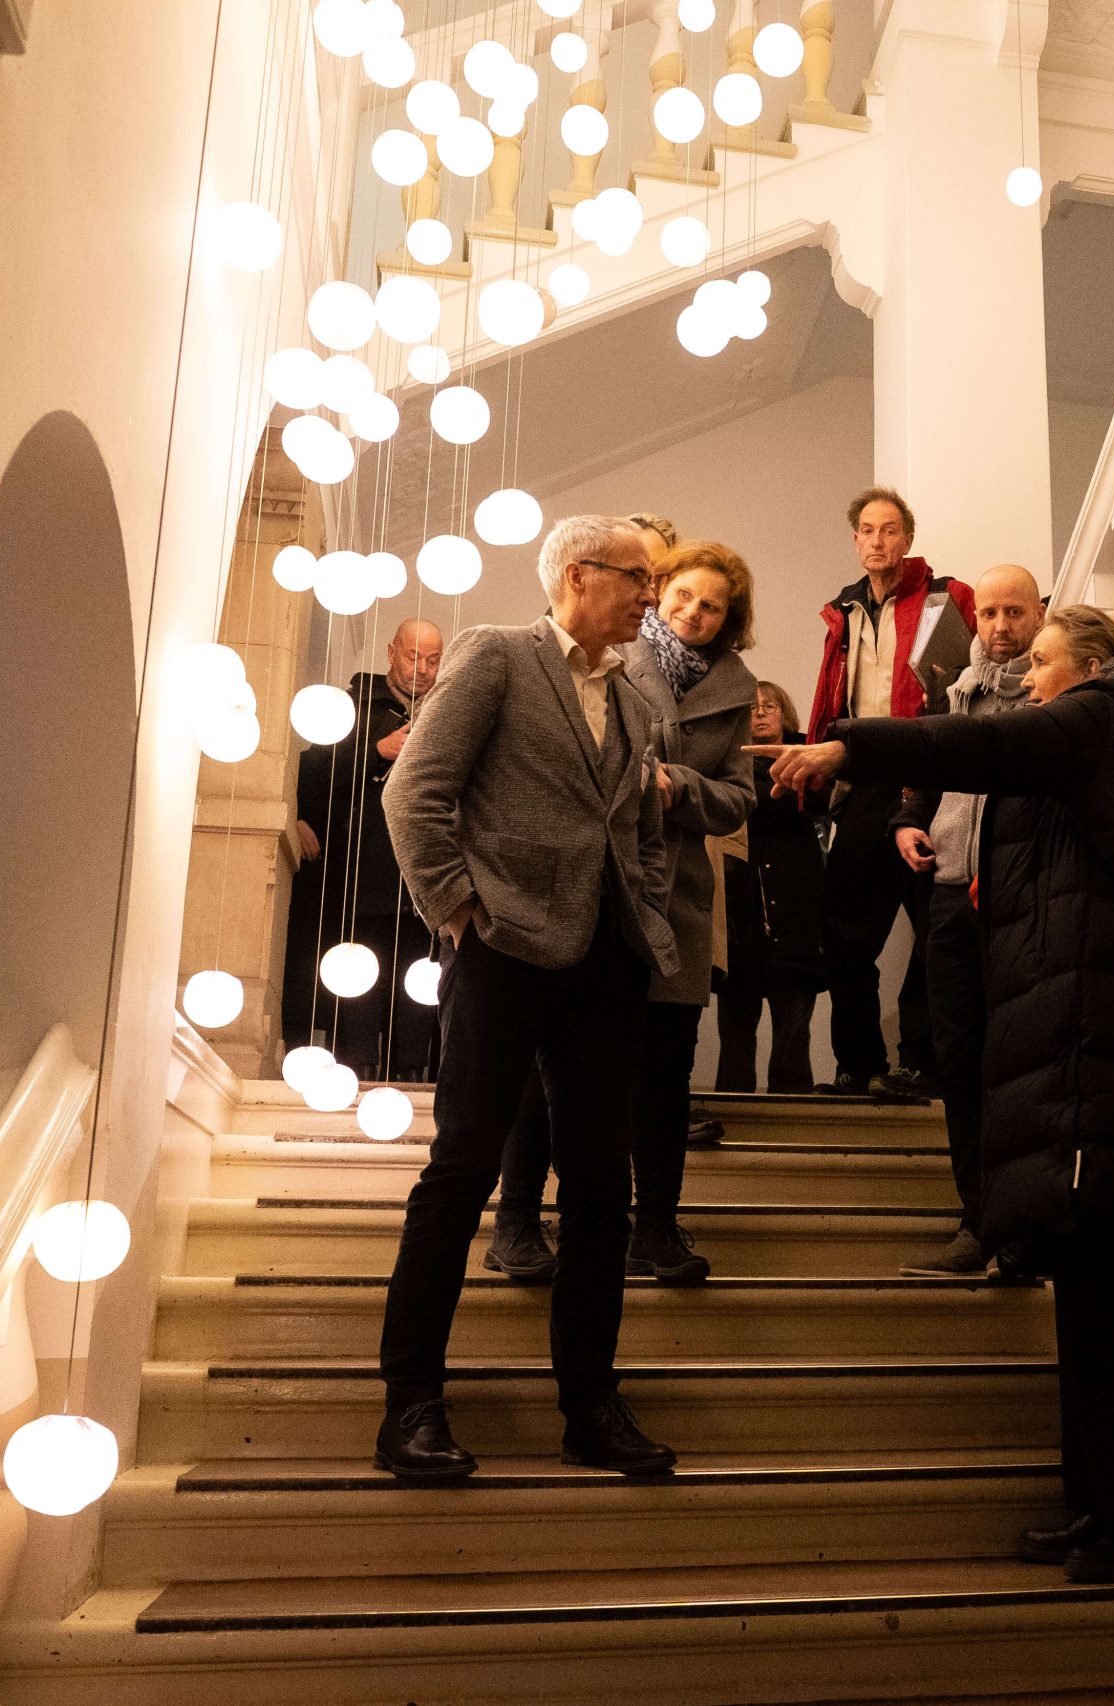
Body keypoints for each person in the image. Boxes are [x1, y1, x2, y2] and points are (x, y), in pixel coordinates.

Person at [753, 607, 1114, 1582]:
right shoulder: (1100, 740)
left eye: (1042, 661)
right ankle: (1102, 1505)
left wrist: (844, 745)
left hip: (1100, 1048)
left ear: (1094, 670)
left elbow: (975, 740)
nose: (1025, 677)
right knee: (1092, 1293)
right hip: (1080, 1043)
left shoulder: (1107, 718)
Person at [374, 516, 681, 1483]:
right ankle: (411, 1407)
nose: (650, 596)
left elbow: (637, 823)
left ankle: (590, 1406)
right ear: (578, 576)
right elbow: (411, 793)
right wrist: (458, 912)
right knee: (462, 1172)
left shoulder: (638, 691)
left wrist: (646, 908)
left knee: (602, 1188)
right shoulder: (497, 657)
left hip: (606, 962)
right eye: (639, 578)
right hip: (500, 950)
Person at [486, 541, 759, 1285]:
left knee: (666, 1072)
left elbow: (740, 795)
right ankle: (515, 1221)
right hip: (595, 891)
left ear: (730, 620)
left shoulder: (738, 686)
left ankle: (657, 1228)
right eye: (682, 597)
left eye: (712, 606)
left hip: (678, 895)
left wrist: (678, 788)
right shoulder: (606, 656)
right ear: (659, 594)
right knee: (553, 1068)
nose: (693, 614)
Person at [890, 565, 1043, 1275]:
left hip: (1019, 899)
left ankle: (1022, 1231)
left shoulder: (1055, 698)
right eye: (988, 613)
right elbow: (927, 772)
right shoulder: (953, 692)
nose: (1001, 626)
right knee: (959, 1060)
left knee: (1017, 1064)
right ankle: (977, 1222)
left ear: (1041, 614)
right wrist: (907, 821)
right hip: (951, 893)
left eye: (1015, 611)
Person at [807, 487, 976, 1099]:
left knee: (934, 928)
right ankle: (857, 1066)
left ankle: (919, 1065)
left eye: (890, 530)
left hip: (925, 778)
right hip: (861, 782)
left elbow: (964, 682)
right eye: (868, 531)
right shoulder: (842, 612)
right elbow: (831, 696)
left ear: (908, 538)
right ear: (856, 540)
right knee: (844, 934)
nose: (878, 541)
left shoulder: (945, 599)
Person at [285, 618, 444, 1080]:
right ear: (392, 652)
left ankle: (412, 1075)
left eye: (433, 659)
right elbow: (311, 774)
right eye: (413, 656)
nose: (422, 669)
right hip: (359, 875)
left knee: (419, 982)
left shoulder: (448, 710)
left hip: (421, 879)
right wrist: (378, 750)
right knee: (356, 976)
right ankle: (354, 1070)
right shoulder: (352, 707)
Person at [714, 682, 827, 1092]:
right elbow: (744, 805)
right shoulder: (726, 762)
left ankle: (796, 1127)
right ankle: (733, 1124)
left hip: (797, 921)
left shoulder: (813, 756)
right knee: (736, 1037)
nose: (761, 713)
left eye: (770, 705)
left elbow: (811, 804)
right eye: (752, 707)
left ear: (785, 713)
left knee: (794, 1039)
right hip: (739, 923)